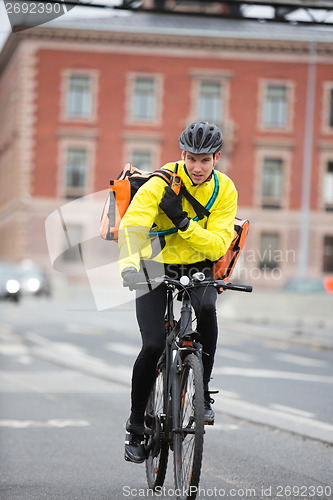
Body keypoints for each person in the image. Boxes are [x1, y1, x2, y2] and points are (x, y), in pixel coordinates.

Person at [118, 121, 238, 463]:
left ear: (215, 158)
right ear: (182, 155)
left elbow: (217, 245)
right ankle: (136, 425)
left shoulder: (226, 189)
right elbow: (134, 224)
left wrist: (183, 222)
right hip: (153, 264)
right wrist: (128, 264)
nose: (197, 167)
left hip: (198, 265)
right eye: (191, 159)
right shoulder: (162, 181)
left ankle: (203, 394)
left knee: (207, 311)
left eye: (204, 160)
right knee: (154, 344)